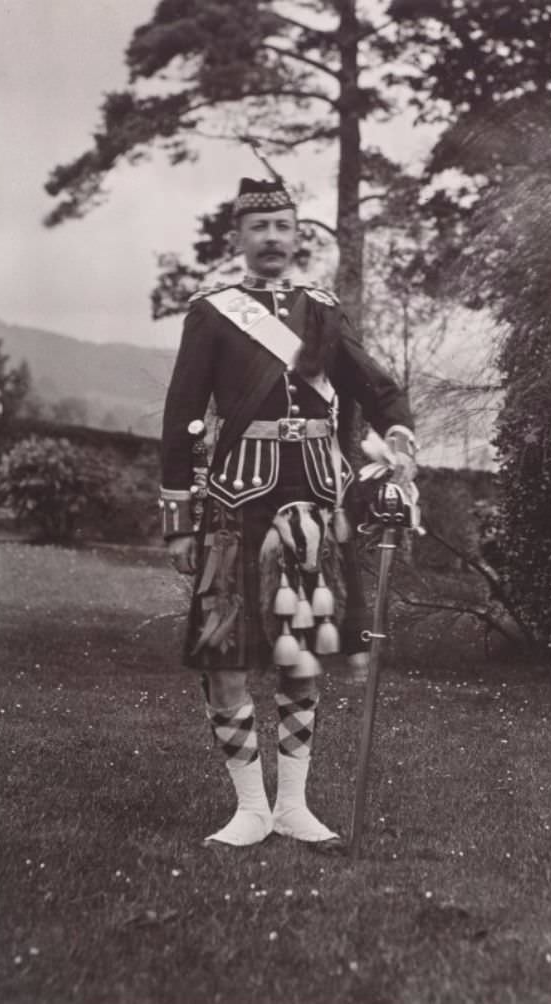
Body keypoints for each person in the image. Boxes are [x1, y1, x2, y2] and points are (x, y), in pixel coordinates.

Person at [159, 177, 416, 849]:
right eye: (259, 227)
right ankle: (249, 807)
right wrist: (178, 516)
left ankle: (293, 806)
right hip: (236, 500)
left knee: (304, 653)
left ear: (299, 235)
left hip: (311, 501)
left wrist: (398, 434)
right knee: (226, 655)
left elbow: (376, 386)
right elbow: (183, 412)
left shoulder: (323, 310)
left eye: (284, 226)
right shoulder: (213, 311)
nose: (272, 238)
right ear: (238, 238)